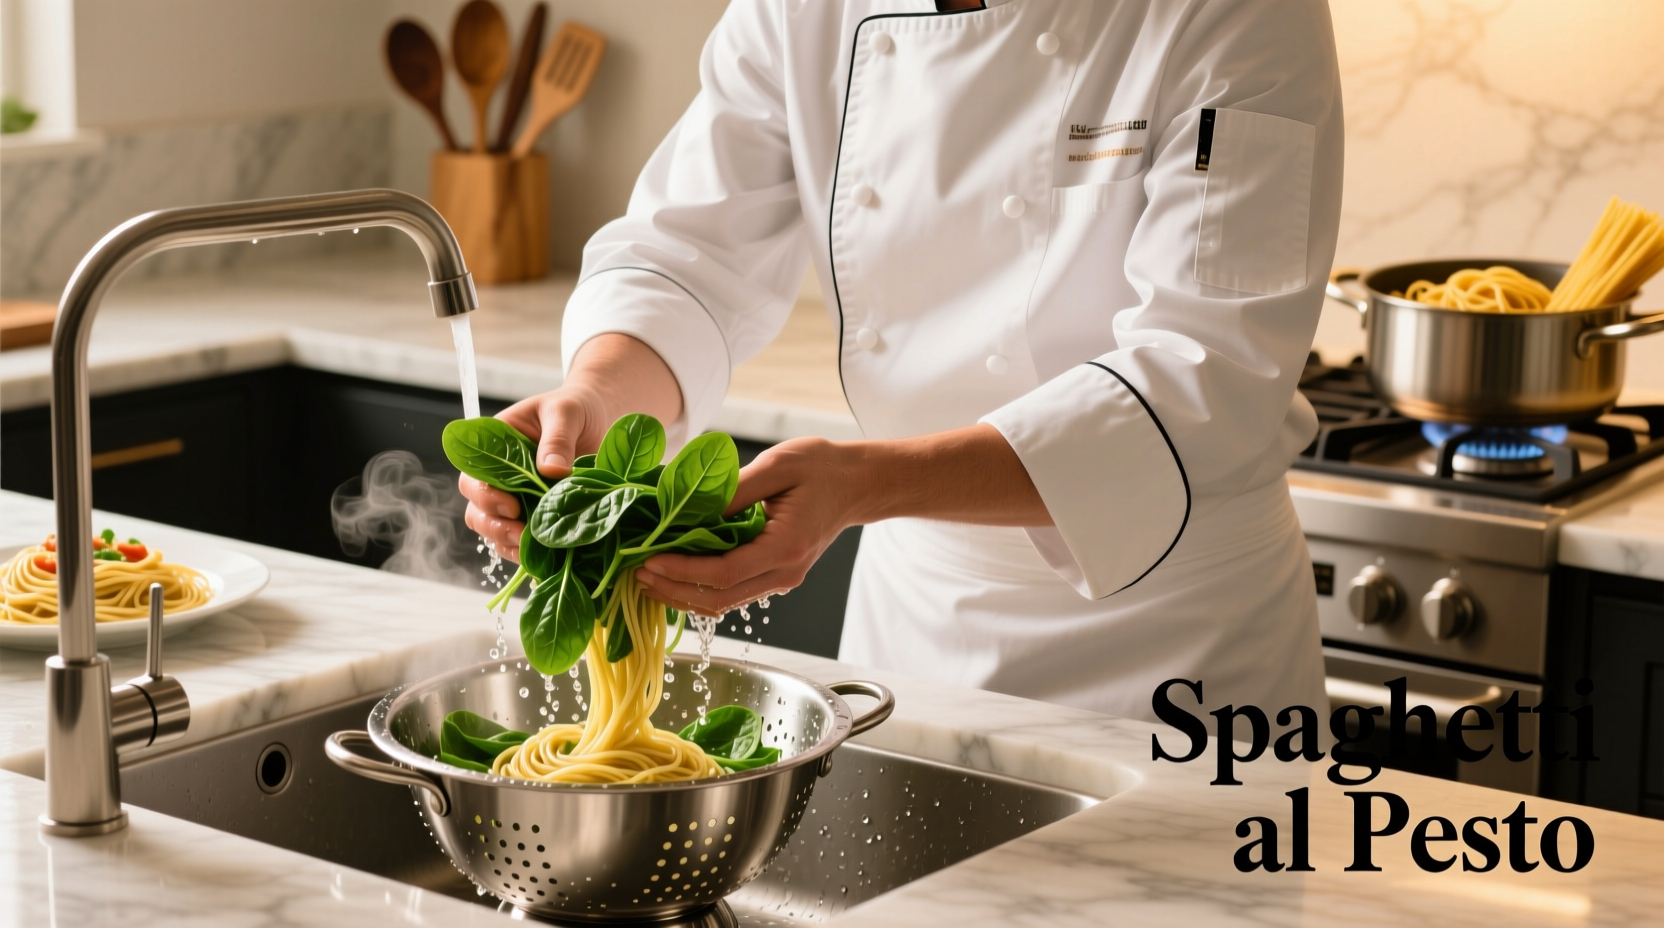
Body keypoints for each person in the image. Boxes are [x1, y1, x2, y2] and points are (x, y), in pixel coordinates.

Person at [461, 0, 1342, 723]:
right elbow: (687, 260)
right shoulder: (800, 11)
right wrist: (598, 395)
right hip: (913, 631)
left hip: (1180, 652)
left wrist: (867, 484)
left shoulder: (1238, 11)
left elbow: (1205, 380)